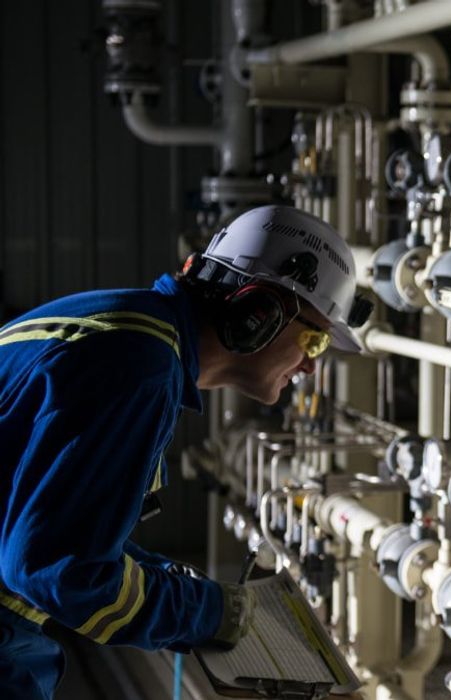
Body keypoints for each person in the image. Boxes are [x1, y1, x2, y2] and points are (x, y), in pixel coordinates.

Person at [0, 205, 372, 698]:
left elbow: (67, 523)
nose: (308, 367)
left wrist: (174, 583)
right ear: (259, 312)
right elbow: (59, 570)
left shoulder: (128, 333)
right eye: (314, 339)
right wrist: (206, 614)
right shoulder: (138, 367)